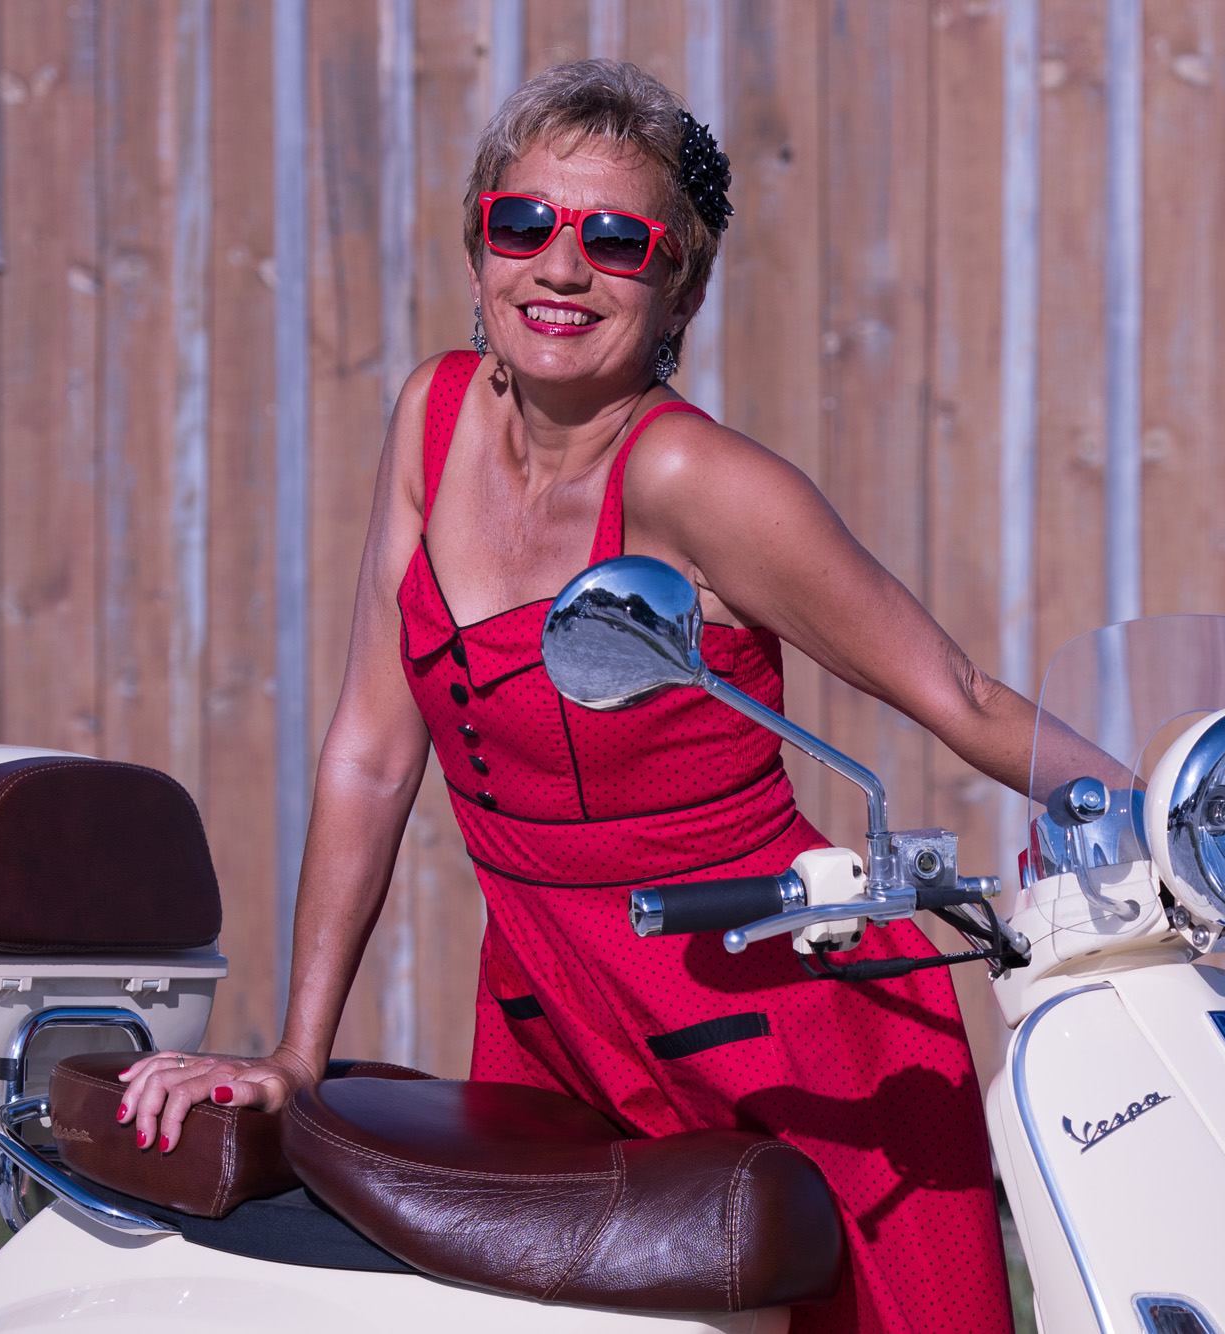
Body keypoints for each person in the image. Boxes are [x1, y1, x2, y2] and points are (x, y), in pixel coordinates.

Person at [116, 58, 1119, 1333]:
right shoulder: (431, 418)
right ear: (476, 251)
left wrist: (1190, 813)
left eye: (614, 240)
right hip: (555, 1013)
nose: (560, 268)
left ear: (680, 286)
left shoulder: (698, 482)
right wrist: (295, 1054)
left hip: (788, 1024)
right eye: (523, 224)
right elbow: (372, 750)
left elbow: (959, 692)